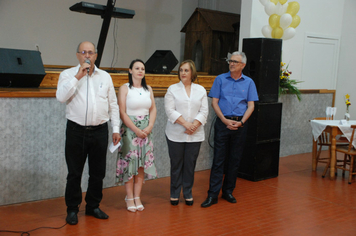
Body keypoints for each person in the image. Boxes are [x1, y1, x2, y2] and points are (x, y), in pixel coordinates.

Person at [56, 41, 121, 224]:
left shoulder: (105, 77)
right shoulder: (68, 74)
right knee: (74, 173)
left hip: (100, 130)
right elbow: (61, 97)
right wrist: (78, 76)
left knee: (97, 172)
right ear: (77, 55)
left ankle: (93, 206)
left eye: (90, 52)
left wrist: (115, 128)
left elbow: (113, 105)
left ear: (96, 55)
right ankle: (72, 209)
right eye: (83, 52)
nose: (87, 55)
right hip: (76, 130)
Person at [201, 51, 259, 208]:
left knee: (234, 160)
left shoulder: (249, 83)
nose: (231, 63)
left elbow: (251, 106)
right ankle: (212, 195)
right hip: (222, 123)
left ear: (243, 65)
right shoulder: (220, 79)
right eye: (230, 61)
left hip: (240, 126)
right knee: (218, 160)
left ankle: (228, 191)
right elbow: (214, 102)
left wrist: (241, 122)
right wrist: (224, 120)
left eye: (235, 61)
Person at [164, 60, 208, 206]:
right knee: (176, 164)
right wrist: (186, 124)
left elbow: (204, 111)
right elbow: (170, 110)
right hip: (175, 133)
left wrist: (194, 125)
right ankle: (175, 193)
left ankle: (187, 192)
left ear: (192, 73)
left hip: (195, 134)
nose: (183, 73)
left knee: (190, 164)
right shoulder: (172, 89)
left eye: (186, 70)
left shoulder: (200, 90)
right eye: (181, 70)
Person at [116, 59, 157, 213]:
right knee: (130, 164)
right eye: (137, 68)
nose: (140, 71)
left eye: (142, 68)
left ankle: (137, 196)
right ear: (130, 70)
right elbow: (122, 112)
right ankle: (129, 197)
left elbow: (153, 109)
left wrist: (149, 126)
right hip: (130, 130)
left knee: (141, 165)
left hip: (146, 130)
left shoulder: (149, 89)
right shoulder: (125, 88)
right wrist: (135, 130)